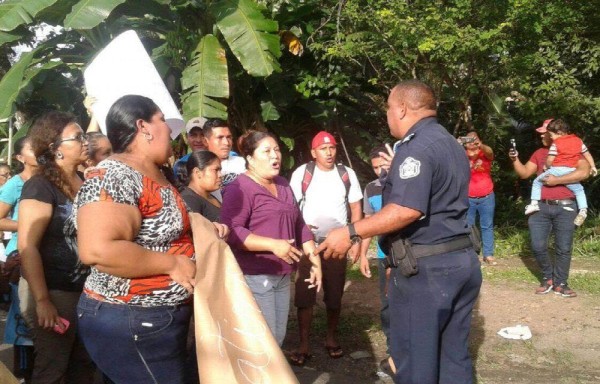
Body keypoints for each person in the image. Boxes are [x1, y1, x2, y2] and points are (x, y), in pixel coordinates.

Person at [315, 80, 482, 384]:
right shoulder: (451, 144)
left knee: (416, 364)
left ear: (402, 108)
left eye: (389, 108)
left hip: (428, 273)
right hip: (461, 262)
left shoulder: (415, 148)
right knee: (453, 359)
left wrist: (350, 231)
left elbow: (406, 210)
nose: (388, 114)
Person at [74, 95, 197, 384]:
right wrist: (171, 264)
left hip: (152, 319)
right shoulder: (114, 176)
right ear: (144, 127)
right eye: (163, 120)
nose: (169, 129)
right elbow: (98, 250)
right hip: (131, 318)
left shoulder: (153, 173)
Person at [220, 130, 322, 348]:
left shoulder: (283, 184)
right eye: (266, 151)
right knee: (264, 342)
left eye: (276, 150)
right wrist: (272, 245)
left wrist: (314, 260)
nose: (275, 156)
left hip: (283, 275)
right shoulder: (240, 188)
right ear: (249, 158)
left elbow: (299, 224)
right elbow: (232, 230)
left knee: (277, 337)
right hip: (256, 276)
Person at [18, 111, 95, 383]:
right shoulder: (40, 186)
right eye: (78, 137)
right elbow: (27, 246)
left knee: (84, 366)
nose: (86, 142)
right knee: (53, 369)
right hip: (55, 292)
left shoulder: (86, 183)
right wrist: (42, 301)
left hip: (87, 291)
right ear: (55, 149)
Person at [288, 131, 363, 365]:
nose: (329, 153)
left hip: (336, 244)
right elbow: (292, 206)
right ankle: (303, 344)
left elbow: (356, 209)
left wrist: (355, 240)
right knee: (305, 294)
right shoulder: (303, 173)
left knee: (334, 294)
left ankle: (331, 338)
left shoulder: (346, 173)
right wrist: (300, 227)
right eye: (323, 149)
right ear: (313, 152)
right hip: (308, 244)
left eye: (331, 148)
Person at [510, 118, 590, 298]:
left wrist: (557, 180)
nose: (541, 137)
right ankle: (548, 278)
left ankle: (561, 283)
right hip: (540, 207)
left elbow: (583, 172)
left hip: (566, 206)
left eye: (544, 133)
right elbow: (524, 173)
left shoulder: (573, 150)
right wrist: (514, 159)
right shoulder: (539, 153)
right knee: (537, 246)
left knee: (563, 248)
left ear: (554, 134)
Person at [0, 136, 37, 382]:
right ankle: (23, 375)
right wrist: (29, 224)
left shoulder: (51, 179)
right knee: (24, 321)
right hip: (20, 257)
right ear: (20, 157)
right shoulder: (15, 184)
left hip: (45, 256)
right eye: (32, 148)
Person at [524, 119, 597, 226]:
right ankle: (583, 210)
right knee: (579, 190)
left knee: (537, 182)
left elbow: (550, 159)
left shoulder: (556, 143)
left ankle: (534, 203)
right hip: (571, 170)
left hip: (557, 169)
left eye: (551, 135)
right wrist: (593, 166)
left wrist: (547, 166)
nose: (551, 137)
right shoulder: (578, 141)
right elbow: (587, 154)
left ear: (559, 133)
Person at [358, 144, 391, 369]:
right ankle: (393, 349)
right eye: (376, 167)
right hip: (382, 255)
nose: (380, 171)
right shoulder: (371, 189)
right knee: (387, 302)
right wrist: (362, 255)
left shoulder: (406, 185)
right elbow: (367, 224)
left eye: (384, 166)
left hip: (409, 255)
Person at [462, 130, 497, 265]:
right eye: (468, 140)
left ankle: (488, 254)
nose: (471, 142)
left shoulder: (484, 153)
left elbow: (490, 151)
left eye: (474, 140)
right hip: (468, 196)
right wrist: (458, 143)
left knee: (487, 225)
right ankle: (471, 253)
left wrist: (480, 145)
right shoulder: (462, 155)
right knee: (468, 225)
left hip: (486, 195)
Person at [201, 119, 245, 200]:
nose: (226, 143)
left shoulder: (243, 163)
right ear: (205, 141)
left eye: (229, 137)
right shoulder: (199, 168)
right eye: (220, 137)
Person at [179, 150, 223, 222]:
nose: (220, 175)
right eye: (216, 170)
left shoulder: (209, 196)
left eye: (220, 170)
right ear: (198, 172)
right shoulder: (189, 200)